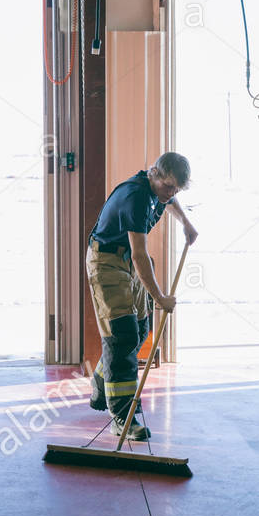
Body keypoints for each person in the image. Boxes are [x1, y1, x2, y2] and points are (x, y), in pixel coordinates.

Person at [87, 152, 197, 441]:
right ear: (154, 174)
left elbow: (169, 202)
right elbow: (139, 255)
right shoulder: (135, 197)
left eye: (176, 189)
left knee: (141, 330)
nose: (171, 193)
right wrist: (160, 298)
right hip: (107, 261)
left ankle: (103, 382)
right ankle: (123, 417)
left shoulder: (158, 192)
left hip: (126, 260)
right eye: (168, 186)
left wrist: (185, 222)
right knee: (122, 335)